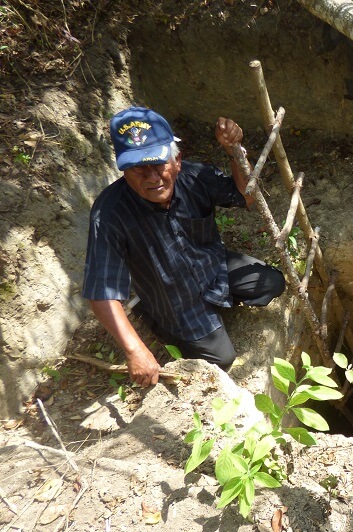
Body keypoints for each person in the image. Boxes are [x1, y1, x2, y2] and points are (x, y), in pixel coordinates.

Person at [82, 106, 286, 387]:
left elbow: (245, 196)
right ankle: (153, 314)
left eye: (158, 164)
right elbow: (101, 292)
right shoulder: (109, 213)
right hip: (173, 299)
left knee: (271, 282)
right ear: (124, 170)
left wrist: (233, 150)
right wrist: (135, 349)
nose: (152, 177)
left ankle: (213, 305)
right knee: (221, 358)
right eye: (137, 168)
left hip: (213, 270)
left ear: (177, 160)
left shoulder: (194, 177)